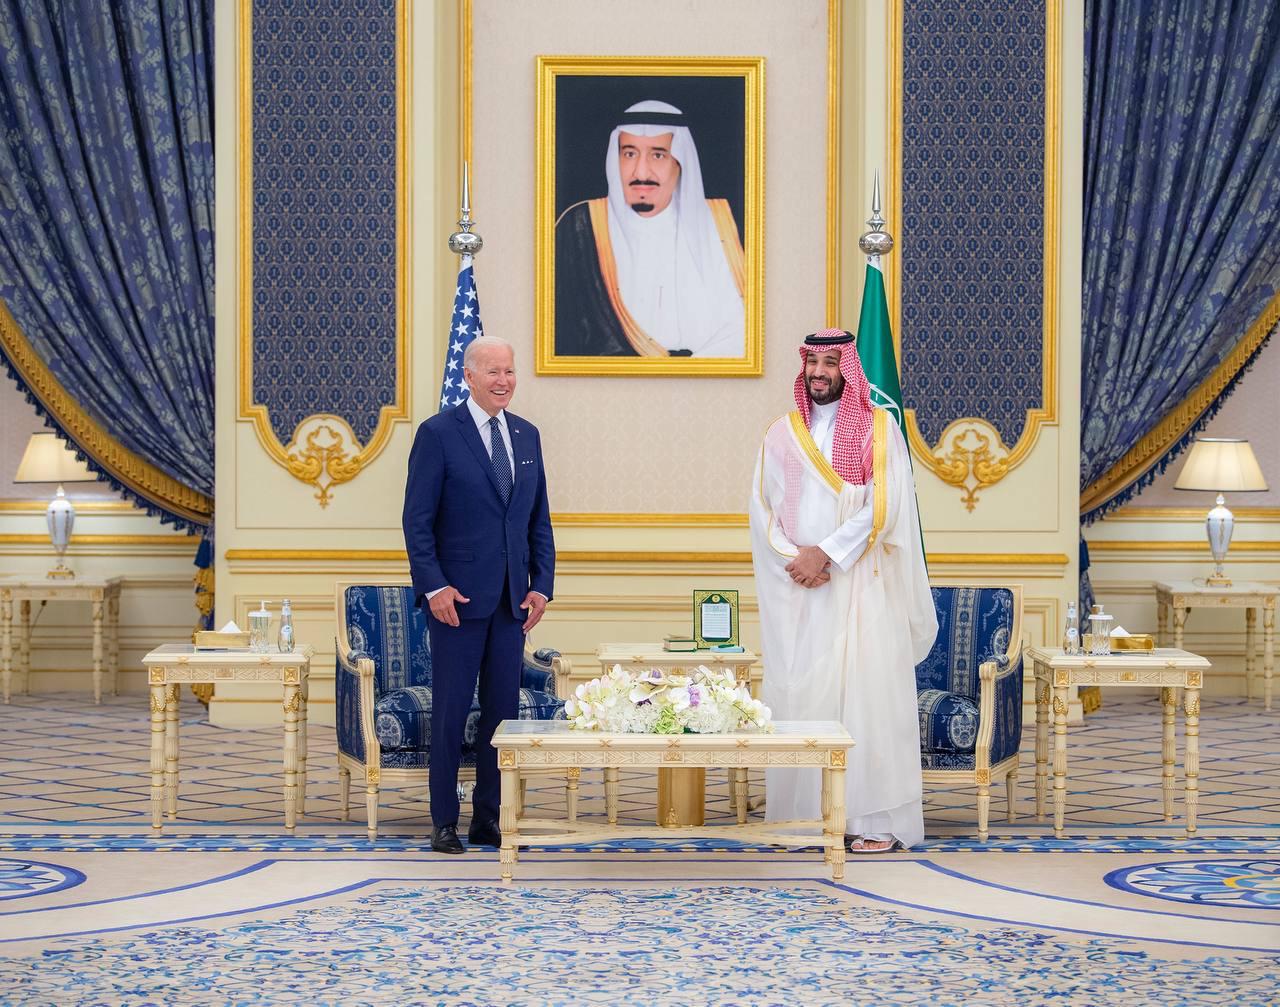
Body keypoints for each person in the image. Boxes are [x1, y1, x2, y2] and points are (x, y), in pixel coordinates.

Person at [748, 328, 937, 852]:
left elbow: (885, 506)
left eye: (831, 363)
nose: (819, 372)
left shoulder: (880, 429)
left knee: (868, 704)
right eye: (813, 362)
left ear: (847, 369)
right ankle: (805, 819)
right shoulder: (781, 433)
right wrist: (797, 560)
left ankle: (874, 823)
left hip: (863, 589)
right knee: (805, 699)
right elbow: (761, 510)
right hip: (804, 592)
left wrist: (825, 553)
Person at [402, 336, 555, 855]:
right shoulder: (438, 434)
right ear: (468, 377)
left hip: (512, 603)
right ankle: (444, 821)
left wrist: (541, 586)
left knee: (500, 716)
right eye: (492, 372)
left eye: (509, 371)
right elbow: (417, 522)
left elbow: (538, 520)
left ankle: (488, 819)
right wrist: (434, 586)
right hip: (457, 603)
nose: (503, 381)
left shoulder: (527, 435)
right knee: (449, 714)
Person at [555, 99, 745, 358]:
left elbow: (746, 329)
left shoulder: (725, 225)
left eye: (658, 155)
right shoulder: (579, 228)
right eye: (629, 154)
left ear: (679, 162)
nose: (641, 172)